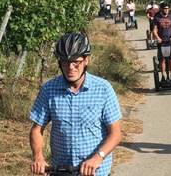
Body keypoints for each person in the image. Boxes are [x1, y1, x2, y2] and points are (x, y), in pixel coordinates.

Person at [29, 33, 122, 176]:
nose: (70, 67)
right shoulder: (49, 89)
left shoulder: (103, 89)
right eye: (65, 62)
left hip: (95, 171)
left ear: (86, 60)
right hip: (60, 170)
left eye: (76, 62)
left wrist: (98, 158)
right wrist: (38, 157)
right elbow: (36, 129)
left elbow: (115, 134)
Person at [153, 2, 171, 82]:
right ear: (161, 9)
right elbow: (154, 30)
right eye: (165, 8)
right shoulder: (157, 17)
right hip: (161, 41)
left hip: (170, 40)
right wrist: (157, 38)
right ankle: (163, 76)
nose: (166, 10)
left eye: (167, 8)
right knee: (162, 59)